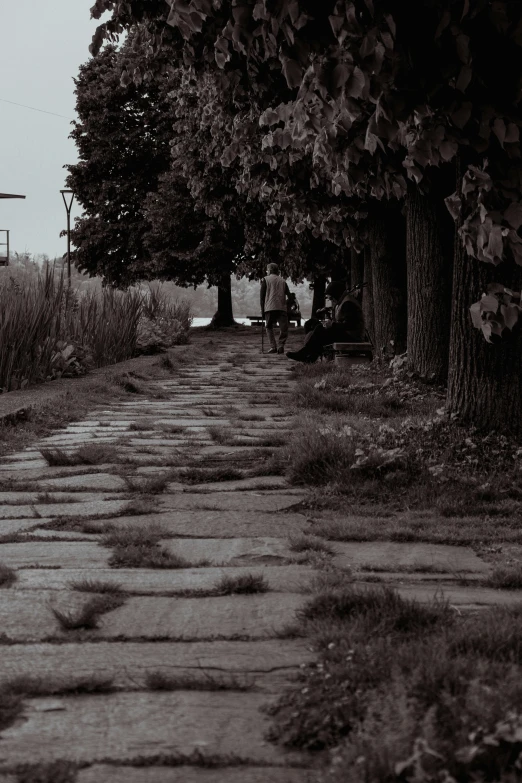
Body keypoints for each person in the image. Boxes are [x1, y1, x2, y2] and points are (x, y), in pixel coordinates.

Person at [286, 280, 365, 362]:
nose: (331, 300)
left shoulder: (348, 303)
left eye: (331, 297)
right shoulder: (343, 301)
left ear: (336, 294)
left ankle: (305, 354)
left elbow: (350, 325)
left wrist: (332, 325)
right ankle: (310, 356)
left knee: (320, 330)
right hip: (347, 333)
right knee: (312, 324)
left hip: (352, 336)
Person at [260, 263, 292, 354]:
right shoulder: (283, 281)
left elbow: (262, 297)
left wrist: (262, 310)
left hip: (269, 307)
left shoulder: (265, 280)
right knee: (283, 328)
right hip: (281, 307)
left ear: (269, 271)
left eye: (267, 270)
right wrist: (287, 305)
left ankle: (273, 346)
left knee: (269, 326)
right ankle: (281, 345)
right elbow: (289, 296)